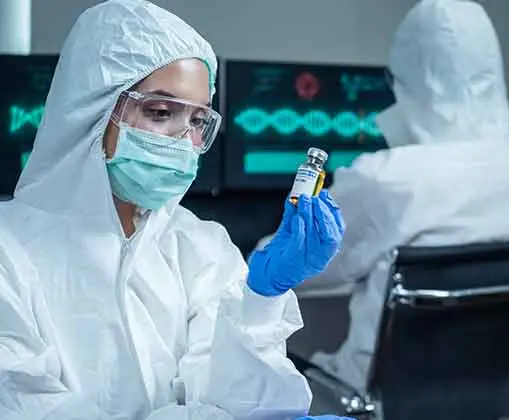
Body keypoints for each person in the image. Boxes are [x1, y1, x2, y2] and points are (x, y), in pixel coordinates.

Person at [0, 1, 351, 419]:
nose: (183, 141)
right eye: (161, 112)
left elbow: (250, 405)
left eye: (198, 120)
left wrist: (260, 300)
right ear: (93, 112)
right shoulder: (10, 251)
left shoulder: (200, 246)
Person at [302, 0, 509, 392]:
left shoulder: (387, 177)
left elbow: (300, 263)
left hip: (376, 403)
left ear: (410, 79)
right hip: (504, 400)